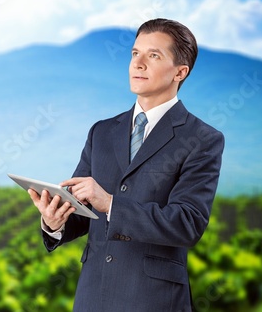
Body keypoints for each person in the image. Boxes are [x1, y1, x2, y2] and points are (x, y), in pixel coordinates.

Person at [28, 18, 224, 311]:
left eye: (153, 55)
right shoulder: (102, 131)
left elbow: (187, 224)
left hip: (155, 300)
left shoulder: (202, 139)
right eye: (135, 53)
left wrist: (110, 203)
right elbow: (82, 213)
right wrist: (55, 223)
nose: (138, 64)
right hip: (93, 297)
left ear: (180, 72)